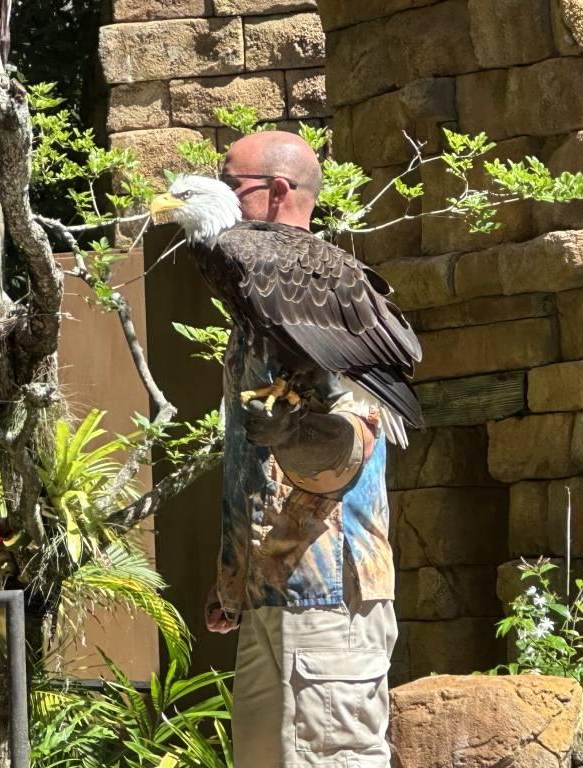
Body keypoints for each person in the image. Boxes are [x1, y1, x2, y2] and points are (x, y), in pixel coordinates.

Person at [204, 130, 397, 767]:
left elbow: (352, 441)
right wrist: (234, 575)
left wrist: (293, 435)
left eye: (230, 184)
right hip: (270, 595)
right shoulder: (256, 293)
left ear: (277, 191)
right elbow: (254, 468)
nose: (219, 195)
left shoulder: (317, 286)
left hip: (328, 600)